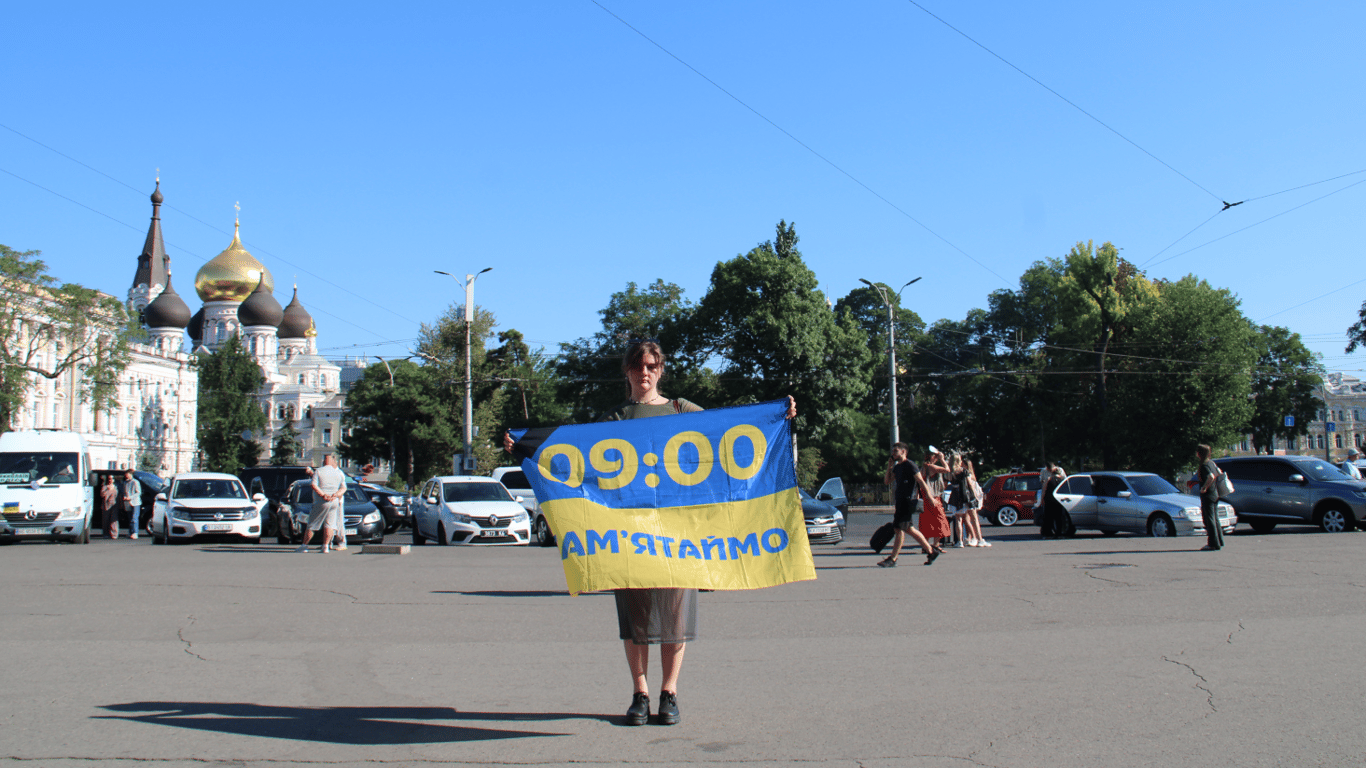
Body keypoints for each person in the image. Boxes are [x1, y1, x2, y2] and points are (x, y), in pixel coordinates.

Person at [504, 339, 796, 727]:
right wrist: (526, 446)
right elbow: (575, 455)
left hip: (681, 536)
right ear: (627, 371)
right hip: (631, 535)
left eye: (652, 366)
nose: (645, 372)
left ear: (660, 371)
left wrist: (778, 415)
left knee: (675, 616)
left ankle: (669, 693)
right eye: (638, 366)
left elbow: (728, 433)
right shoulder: (617, 420)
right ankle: (639, 692)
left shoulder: (682, 410)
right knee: (635, 618)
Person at [877, 442, 938, 567]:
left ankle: (893, 559)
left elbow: (921, 481)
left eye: (895, 451)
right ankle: (931, 551)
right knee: (909, 529)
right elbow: (887, 481)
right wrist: (889, 467)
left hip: (907, 501)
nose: (893, 454)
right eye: (893, 451)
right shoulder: (897, 467)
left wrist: (930, 497)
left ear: (903, 452)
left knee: (899, 529)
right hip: (899, 501)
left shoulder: (910, 465)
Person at [298, 455, 346, 553]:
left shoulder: (319, 471)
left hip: (321, 501)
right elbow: (343, 488)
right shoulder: (338, 473)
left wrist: (323, 495)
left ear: (324, 462)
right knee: (330, 524)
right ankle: (325, 547)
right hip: (334, 501)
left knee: (312, 524)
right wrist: (335, 495)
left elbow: (313, 485)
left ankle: (304, 546)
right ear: (333, 462)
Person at [918, 448, 952, 551]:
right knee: (940, 521)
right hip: (933, 498)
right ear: (932, 457)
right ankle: (935, 545)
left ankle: (926, 546)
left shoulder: (923, 467)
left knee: (927, 522)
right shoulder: (931, 467)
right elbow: (947, 469)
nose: (937, 458)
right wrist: (942, 459)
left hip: (925, 498)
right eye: (936, 457)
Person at [1196, 444, 1224, 551]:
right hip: (1215, 494)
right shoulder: (1211, 463)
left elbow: (1211, 476)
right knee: (1215, 519)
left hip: (1208, 495)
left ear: (1200, 453)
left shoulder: (1204, 465)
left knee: (1209, 519)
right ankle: (1219, 541)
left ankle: (1212, 543)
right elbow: (1218, 472)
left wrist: (1204, 487)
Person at [962, 458, 989, 547]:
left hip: (968, 497)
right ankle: (975, 538)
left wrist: (974, 497)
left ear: (965, 465)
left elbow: (970, 486)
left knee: (970, 518)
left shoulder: (966, 474)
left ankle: (975, 538)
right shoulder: (969, 474)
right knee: (969, 519)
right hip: (969, 497)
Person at [120, 470, 141, 540]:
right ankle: (131, 532)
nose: (126, 476)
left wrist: (130, 497)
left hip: (135, 503)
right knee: (129, 518)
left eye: (127, 474)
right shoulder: (125, 482)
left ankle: (135, 533)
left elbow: (138, 492)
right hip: (127, 502)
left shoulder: (135, 482)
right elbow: (124, 492)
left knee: (134, 518)